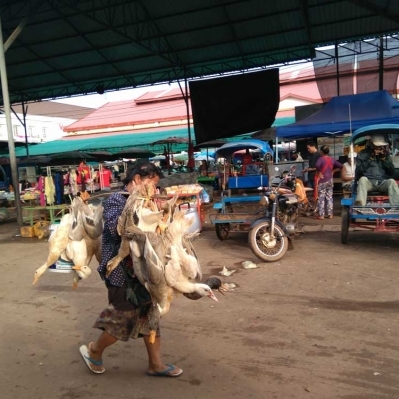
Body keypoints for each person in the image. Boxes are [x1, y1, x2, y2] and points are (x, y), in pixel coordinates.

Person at [79, 162, 183, 377]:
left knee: (151, 314)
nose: (155, 190)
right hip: (120, 271)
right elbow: (115, 230)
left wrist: (163, 213)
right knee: (122, 317)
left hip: (146, 272)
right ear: (137, 180)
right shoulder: (116, 200)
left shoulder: (150, 202)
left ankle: (156, 364)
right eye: (151, 184)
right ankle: (94, 350)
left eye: (156, 186)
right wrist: (141, 211)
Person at [354, 135, 399, 206]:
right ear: (371, 144)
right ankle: (360, 204)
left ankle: (396, 205)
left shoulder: (385, 154)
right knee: (362, 179)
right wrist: (369, 159)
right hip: (369, 182)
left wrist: (384, 160)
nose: (379, 147)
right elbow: (358, 172)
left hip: (382, 182)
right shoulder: (362, 154)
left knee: (391, 181)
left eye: (381, 146)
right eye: (377, 146)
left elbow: (391, 171)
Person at [314, 145, 343, 219]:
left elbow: (317, 165)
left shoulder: (320, 159)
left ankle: (322, 215)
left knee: (321, 197)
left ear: (321, 152)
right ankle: (330, 214)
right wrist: (333, 171)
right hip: (330, 180)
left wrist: (319, 172)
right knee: (329, 197)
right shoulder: (332, 159)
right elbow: (341, 166)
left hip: (322, 180)